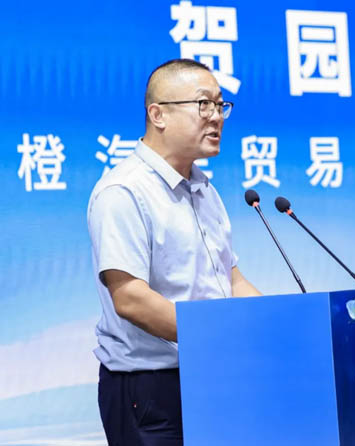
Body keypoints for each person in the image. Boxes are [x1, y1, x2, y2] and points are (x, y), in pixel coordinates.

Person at [87, 58, 261, 446]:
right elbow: (130, 298)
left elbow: (230, 279)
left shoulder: (204, 190)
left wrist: (272, 327)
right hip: (150, 390)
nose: (216, 116)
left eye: (221, 105)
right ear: (158, 114)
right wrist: (218, 337)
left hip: (210, 374)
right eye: (203, 104)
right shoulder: (124, 191)